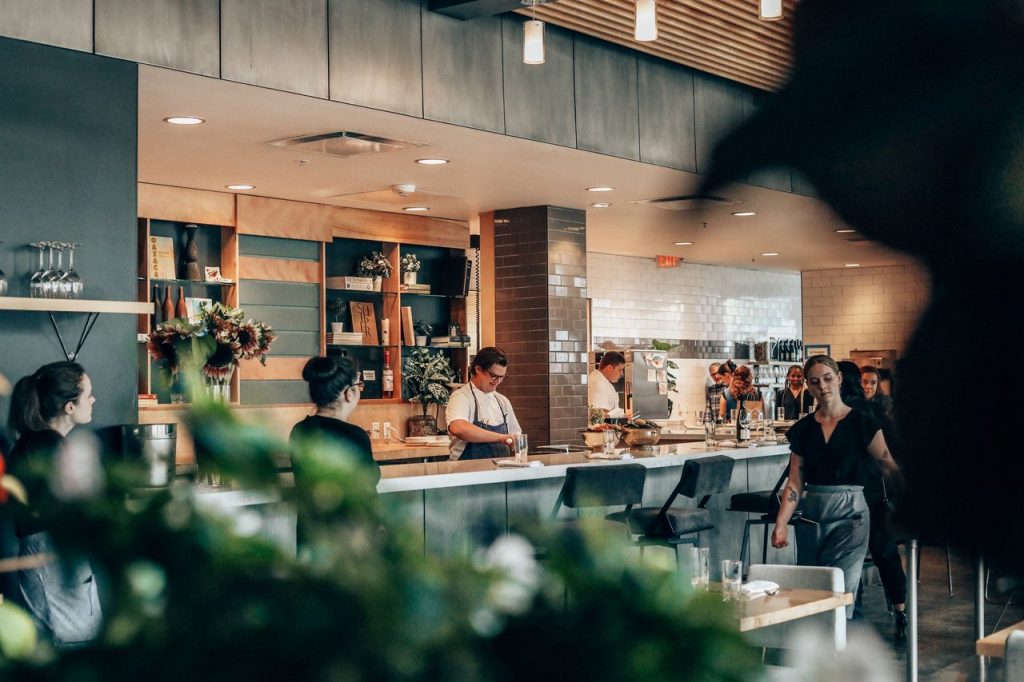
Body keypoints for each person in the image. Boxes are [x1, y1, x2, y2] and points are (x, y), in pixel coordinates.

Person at [771, 355, 905, 637]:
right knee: (813, 588)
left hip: (851, 514)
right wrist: (781, 522)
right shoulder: (804, 430)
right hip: (811, 513)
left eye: (828, 379)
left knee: (842, 589)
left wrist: (914, 497)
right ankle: (824, 655)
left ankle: (843, 657)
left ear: (839, 379)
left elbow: (886, 463)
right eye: (815, 382)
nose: (823, 386)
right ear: (808, 385)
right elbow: (796, 481)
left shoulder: (863, 422)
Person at [6, 361, 101, 647]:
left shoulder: (35, 443)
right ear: (69, 407)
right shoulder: (49, 447)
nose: (93, 400)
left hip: (46, 557)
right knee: (72, 648)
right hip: (53, 560)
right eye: (88, 395)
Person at [290, 356, 378, 485]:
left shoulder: (300, 430)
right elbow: (366, 485)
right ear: (349, 393)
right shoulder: (355, 435)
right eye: (359, 385)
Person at [446, 347, 522, 460]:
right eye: (494, 376)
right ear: (478, 369)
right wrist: (500, 438)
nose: (497, 381)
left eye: (501, 377)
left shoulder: (502, 401)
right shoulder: (461, 396)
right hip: (467, 472)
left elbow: (516, 437)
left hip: (498, 472)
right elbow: (459, 428)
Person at [588, 352, 625, 419]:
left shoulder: (604, 381)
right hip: (602, 428)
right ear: (609, 368)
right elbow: (597, 414)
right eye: (619, 370)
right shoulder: (598, 383)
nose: (622, 374)